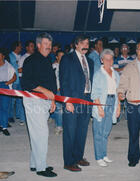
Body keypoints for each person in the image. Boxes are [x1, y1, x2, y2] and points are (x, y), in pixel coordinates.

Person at [21, 33, 57, 177]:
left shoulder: (47, 60)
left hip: (45, 101)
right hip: (33, 100)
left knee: (37, 134)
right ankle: (41, 168)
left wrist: (52, 100)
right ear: (38, 45)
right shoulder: (30, 60)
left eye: (50, 44)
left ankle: (34, 163)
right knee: (41, 134)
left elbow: (51, 82)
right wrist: (45, 91)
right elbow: (26, 83)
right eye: (45, 44)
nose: (48, 47)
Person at [59, 35, 94, 171]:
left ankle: (78, 156)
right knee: (70, 131)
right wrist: (67, 101)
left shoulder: (90, 61)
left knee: (82, 131)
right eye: (83, 43)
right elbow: (64, 81)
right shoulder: (67, 59)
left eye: (87, 43)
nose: (86, 46)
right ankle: (68, 162)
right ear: (76, 44)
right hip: (72, 101)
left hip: (86, 100)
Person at [91, 49, 120, 167]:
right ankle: (98, 157)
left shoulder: (116, 74)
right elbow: (94, 93)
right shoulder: (98, 74)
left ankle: (104, 155)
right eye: (106, 59)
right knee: (98, 131)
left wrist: (118, 106)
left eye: (111, 59)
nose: (109, 61)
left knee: (106, 131)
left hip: (113, 101)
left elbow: (118, 91)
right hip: (102, 102)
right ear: (102, 60)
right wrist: (99, 107)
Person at [0, 48, 16, 136]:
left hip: (4, 86)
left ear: (3, 56)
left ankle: (4, 127)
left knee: (5, 107)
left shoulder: (8, 65)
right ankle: (1, 124)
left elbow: (14, 76)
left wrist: (7, 83)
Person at [8, 41, 23, 124]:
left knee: (19, 99)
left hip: (20, 80)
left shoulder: (21, 56)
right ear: (16, 47)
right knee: (12, 99)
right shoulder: (10, 56)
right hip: (13, 80)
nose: (21, 48)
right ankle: (10, 115)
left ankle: (17, 114)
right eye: (20, 46)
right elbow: (15, 68)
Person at [51, 50, 64, 135]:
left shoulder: (67, 66)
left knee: (63, 109)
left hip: (65, 91)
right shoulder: (53, 66)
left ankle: (60, 123)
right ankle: (59, 126)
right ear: (57, 57)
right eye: (60, 56)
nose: (62, 58)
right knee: (58, 108)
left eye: (63, 56)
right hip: (57, 90)